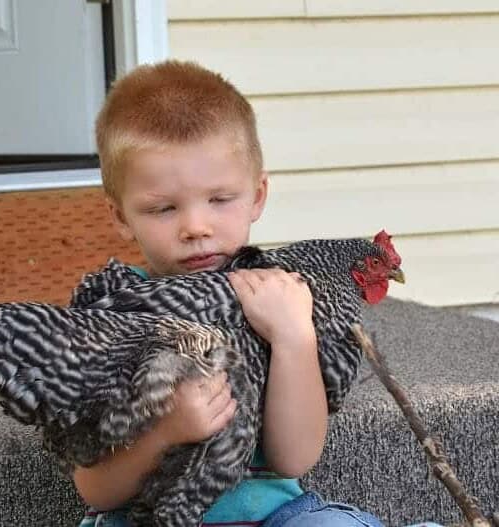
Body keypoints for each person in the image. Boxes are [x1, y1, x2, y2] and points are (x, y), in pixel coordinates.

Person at [73, 60, 440, 527]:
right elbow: (95, 489)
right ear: (121, 216)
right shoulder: (112, 313)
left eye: (220, 200)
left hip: (272, 518)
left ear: (258, 195)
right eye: (163, 208)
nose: (196, 227)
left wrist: (292, 338)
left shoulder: (280, 297)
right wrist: (164, 432)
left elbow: (294, 458)